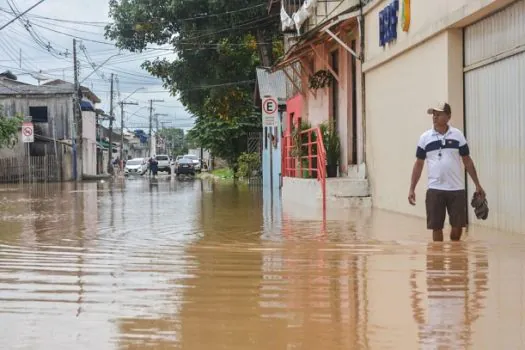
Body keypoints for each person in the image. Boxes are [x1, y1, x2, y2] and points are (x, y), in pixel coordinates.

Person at [408, 102, 485, 242]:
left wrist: (477, 185)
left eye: (439, 114)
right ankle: (439, 260)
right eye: (433, 114)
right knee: (436, 228)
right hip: (435, 189)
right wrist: (412, 188)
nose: (435, 117)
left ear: (448, 117)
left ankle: (454, 254)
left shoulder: (458, 135)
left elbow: (467, 160)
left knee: (458, 228)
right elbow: (419, 164)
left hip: (456, 189)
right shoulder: (425, 138)